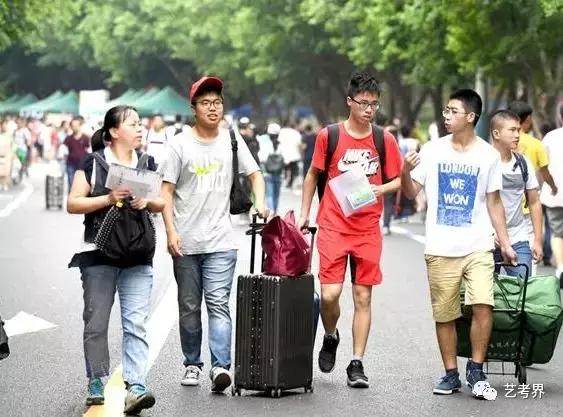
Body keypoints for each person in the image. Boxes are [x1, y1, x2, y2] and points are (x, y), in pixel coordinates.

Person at [400, 89, 517, 398]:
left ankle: (476, 369)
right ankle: (451, 373)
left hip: (478, 245)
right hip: (440, 247)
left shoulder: (488, 155)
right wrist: (404, 171)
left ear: (470, 116)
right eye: (446, 111)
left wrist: (505, 243)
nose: (446, 116)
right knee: (446, 313)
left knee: (483, 304)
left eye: (453, 111)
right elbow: (411, 193)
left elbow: (494, 202)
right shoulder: (432, 150)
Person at [160, 76, 267, 393]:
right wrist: (170, 232)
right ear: (193, 108)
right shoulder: (179, 144)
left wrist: (260, 202)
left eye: (217, 102)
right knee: (189, 307)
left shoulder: (232, 139)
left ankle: (221, 367)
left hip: (222, 240)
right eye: (205, 103)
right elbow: (166, 192)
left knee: (218, 304)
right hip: (186, 242)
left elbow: (255, 174)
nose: (212, 108)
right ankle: (192, 364)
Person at [298, 71, 402, 388]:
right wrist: (304, 214)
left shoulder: (384, 140)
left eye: (374, 104)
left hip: (367, 228)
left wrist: (378, 190)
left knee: (362, 296)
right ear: (349, 102)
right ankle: (331, 335)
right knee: (330, 295)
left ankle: (357, 363)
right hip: (333, 225)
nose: (369, 109)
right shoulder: (329, 136)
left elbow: (398, 180)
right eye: (363, 103)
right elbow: (312, 175)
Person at [67, 105, 164, 414]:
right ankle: (96, 379)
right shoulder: (93, 163)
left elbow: (162, 201)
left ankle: (136, 386)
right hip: (98, 254)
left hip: (138, 253)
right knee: (96, 322)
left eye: (140, 124)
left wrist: (146, 201)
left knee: (136, 323)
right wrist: (108, 198)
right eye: (132, 124)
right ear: (113, 131)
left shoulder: (147, 162)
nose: (139, 128)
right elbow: (73, 203)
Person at [490, 110, 543, 277]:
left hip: (517, 237)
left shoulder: (522, 163)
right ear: (496, 134)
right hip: (487, 240)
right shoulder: (484, 162)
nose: (517, 135)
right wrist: (487, 232)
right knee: (484, 292)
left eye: (518, 130)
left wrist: (538, 241)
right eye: (512, 130)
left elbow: (534, 202)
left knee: (522, 286)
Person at [540, 106, 563, 286]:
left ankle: (561, 267)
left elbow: (543, 166)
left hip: (555, 194)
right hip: (554, 192)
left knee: (557, 232)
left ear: (560, 116)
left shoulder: (550, 137)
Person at [258, 122, 284, 215]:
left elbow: (261, 158)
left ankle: (271, 211)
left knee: (269, 194)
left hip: (267, 172)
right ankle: (275, 212)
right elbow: (286, 159)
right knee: (276, 195)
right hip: (279, 173)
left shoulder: (265, 144)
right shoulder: (281, 144)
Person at [64, 118, 91, 190]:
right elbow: (64, 150)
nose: (75, 127)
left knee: (81, 186)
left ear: (80, 126)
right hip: (70, 164)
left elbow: (89, 150)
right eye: (73, 126)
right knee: (71, 184)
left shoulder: (86, 138)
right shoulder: (68, 138)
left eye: (76, 125)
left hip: (82, 165)